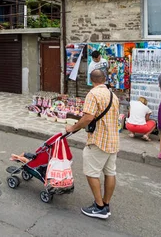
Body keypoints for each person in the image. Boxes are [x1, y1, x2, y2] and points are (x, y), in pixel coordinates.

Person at [66, 69, 119, 219]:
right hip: (113, 140)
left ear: (91, 80)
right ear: (104, 79)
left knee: (91, 173)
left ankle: (99, 207)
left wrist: (73, 128)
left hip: (98, 140)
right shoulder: (112, 95)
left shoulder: (93, 94)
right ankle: (106, 204)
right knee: (110, 173)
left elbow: (88, 117)